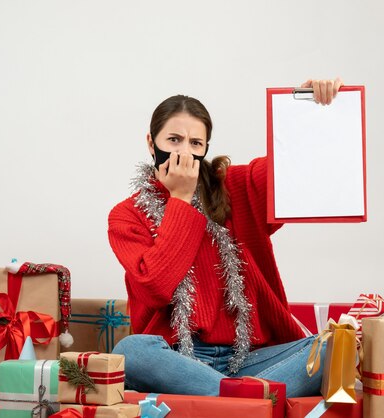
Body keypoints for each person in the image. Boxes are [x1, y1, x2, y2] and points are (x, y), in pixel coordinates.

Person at [108, 78, 344, 397]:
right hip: (178, 360)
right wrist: (179, 199)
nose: (185, 152)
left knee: (332, 347)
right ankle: (252, 401)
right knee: (131, 352)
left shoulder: (234, 186)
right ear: (152, 143)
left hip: (249, 359)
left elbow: (293, 169)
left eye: (195, 143)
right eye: (174, 140)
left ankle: (232, 399)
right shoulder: (127, 214)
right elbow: (156, 287)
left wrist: (307, 109)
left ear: (206, 147)